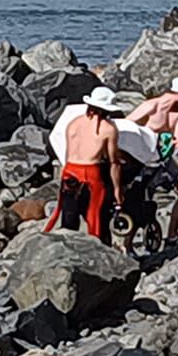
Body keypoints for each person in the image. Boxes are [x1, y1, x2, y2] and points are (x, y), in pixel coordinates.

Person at [45, 87, 125, 242]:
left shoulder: (73, 123)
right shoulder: (108, 129)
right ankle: (98, 250)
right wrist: (117, 189)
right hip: (91, 173)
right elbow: (113, 162)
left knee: (69, 216)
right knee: (95, 217)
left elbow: (67, 152)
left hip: (70, 170)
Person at [125, 76, 178, 243]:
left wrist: (177, 140)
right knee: (139, 199)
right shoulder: (151, 106)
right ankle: (126, 243)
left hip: (163, 158)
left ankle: (172, 234)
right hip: (143, 158)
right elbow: (127, 125)